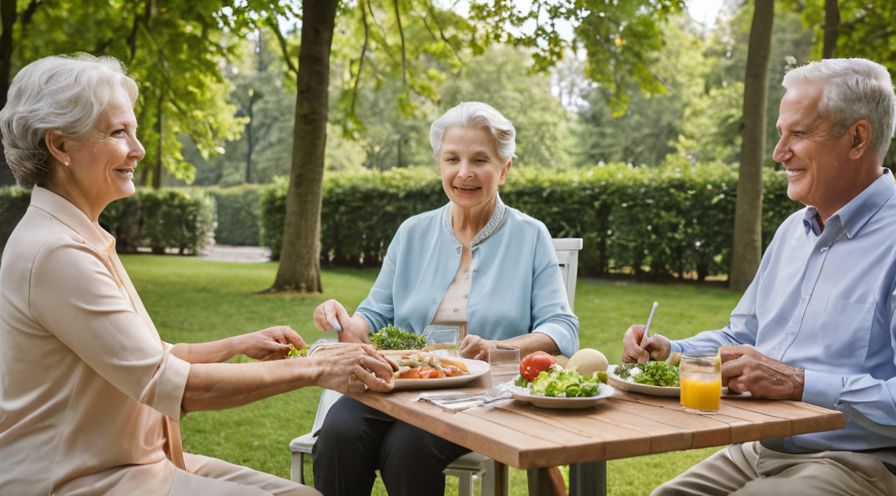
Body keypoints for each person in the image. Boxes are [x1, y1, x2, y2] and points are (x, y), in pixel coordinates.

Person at [0, 54, 395, 496]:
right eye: (118, 132)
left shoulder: (76, 234)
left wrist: (237, 345)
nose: (138, 148)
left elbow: (148, 356)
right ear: (59, 146)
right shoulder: (56, 251)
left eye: (133, 130)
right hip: (77, 479)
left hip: (131, 464)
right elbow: (171, 385)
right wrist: (314, 368)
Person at [623, 58, 896, 495]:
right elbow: (741, 336)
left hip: (858, 463)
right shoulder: (793, 231)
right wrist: (670, 352)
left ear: (857, 138)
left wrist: (800, 383)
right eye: (780, 134)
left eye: (799, 134)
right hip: (758, 449)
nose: (778, 153)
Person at [311, 101, 579, 495]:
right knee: (338, 435)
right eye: (452, 158)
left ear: (504, 169)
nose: (464, 172)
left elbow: (562, 328)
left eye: (480, 160)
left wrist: (499, 347)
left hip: (480, 395)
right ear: (440, 164)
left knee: (408, 449)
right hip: (400, 385)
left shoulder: (531, 235)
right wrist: (346, 323)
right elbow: (376, 313)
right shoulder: (412, 232)